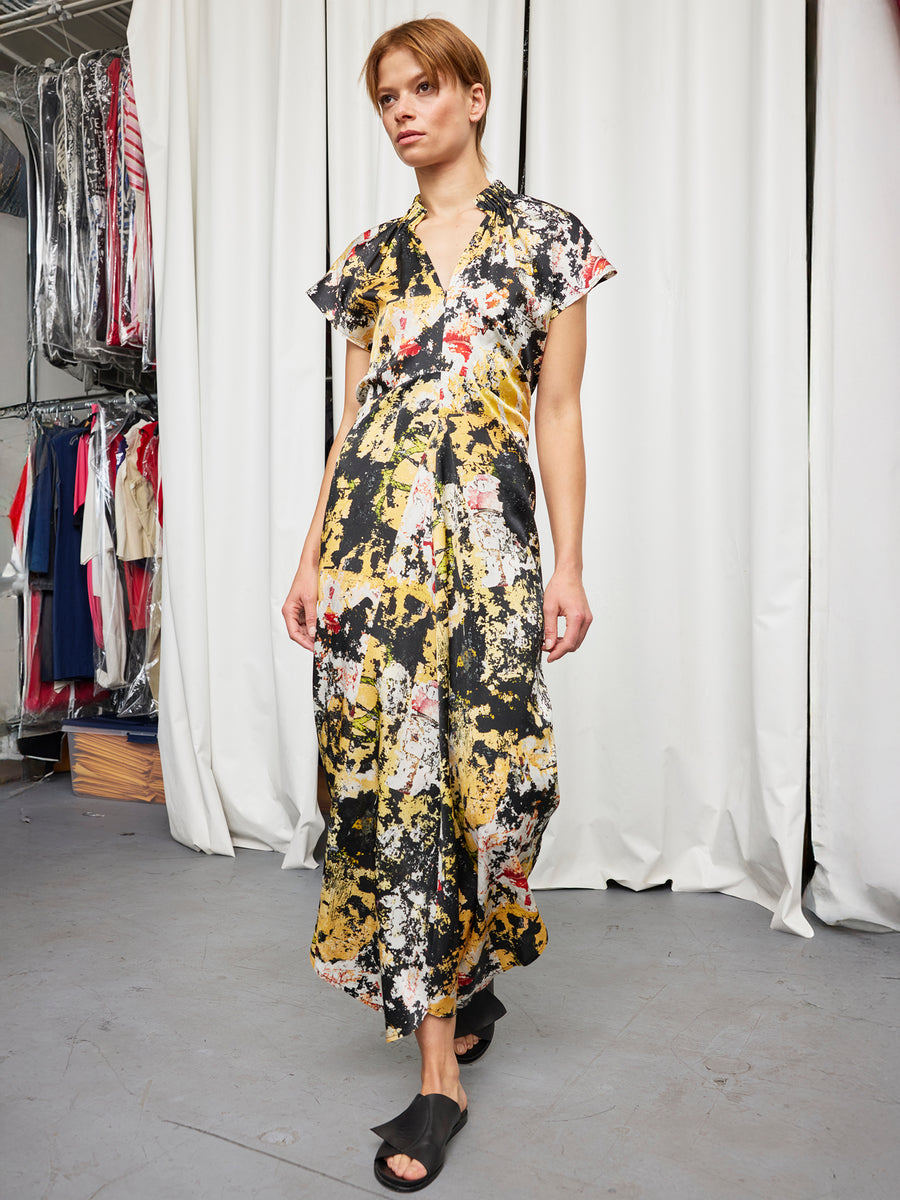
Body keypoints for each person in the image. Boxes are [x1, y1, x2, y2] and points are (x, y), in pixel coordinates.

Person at [283, 17, 615, 1192]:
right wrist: (312, 553)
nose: (403, 111)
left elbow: (559, 413)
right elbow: (354, 422)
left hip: (490, 558)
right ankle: (436, 1076)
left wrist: (569, 565)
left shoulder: (547, 240)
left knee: (506, 786)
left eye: (424, 87)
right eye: (386, 97)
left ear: (474, 95)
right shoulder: (373, 256)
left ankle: (471, 974)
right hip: (375, 561)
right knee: (401, 792)